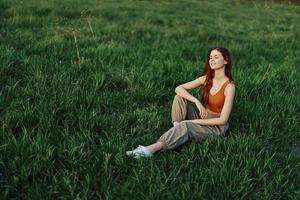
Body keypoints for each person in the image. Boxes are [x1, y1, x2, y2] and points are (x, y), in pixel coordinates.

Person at [126, 47, 236, 158]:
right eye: (210, 57)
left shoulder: (229, 87)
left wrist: (194, 122)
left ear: (226, 60)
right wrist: (196, 101)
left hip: (216, 128)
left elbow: (223, 120)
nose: (211, 60)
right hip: (203, 116)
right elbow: (179, 88)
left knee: (187, 125)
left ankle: (150, 150)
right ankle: (177, 130)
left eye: (216, 57)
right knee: (180, 97)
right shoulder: (207, 79)